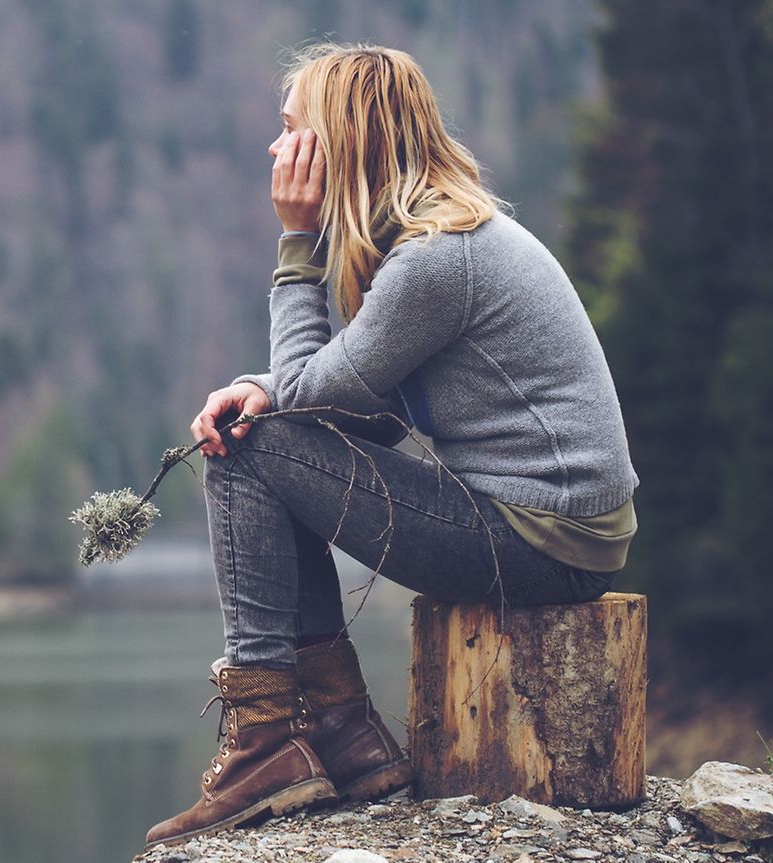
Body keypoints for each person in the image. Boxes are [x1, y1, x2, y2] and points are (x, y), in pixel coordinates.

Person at [143, 43, 640, 850]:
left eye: (291, 129)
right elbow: (357, 407)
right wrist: (270, 385)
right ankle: (341, 732)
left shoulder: (438, 260)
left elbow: (310, 394)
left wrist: (296, 244)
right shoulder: (436, 239)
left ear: (339, 141)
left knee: (250, 447)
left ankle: (268, 739)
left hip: (546, 540)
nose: (276, 150)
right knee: (264, 426)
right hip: (546, 526)